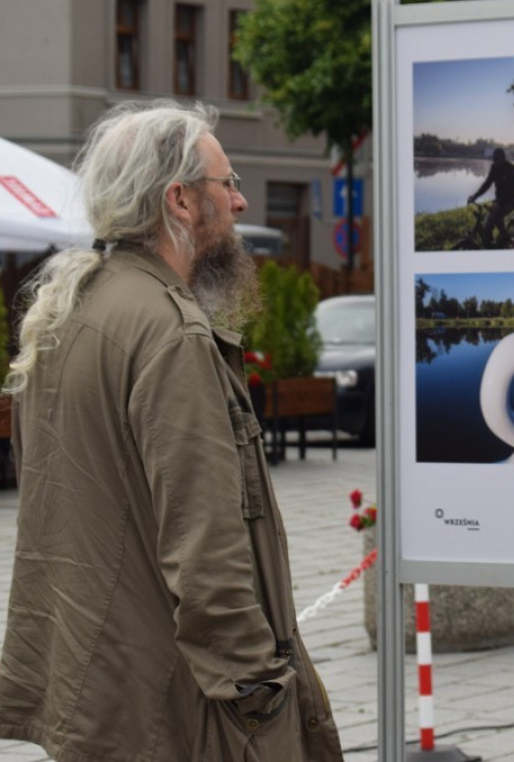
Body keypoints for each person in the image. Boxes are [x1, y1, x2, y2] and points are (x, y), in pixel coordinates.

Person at [0, 101, 345, 761]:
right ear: (180, 200)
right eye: (228, 182)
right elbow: (207, 548)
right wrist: (260, 694)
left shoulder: (72, 310)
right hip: (176, 710)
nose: (241, 202)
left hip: (100, 691)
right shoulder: (168, 331)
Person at [468, 147, 514, 248]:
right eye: (494, 158)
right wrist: (475, 196)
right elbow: (487, 184)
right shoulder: (494, 167)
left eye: (497, 158)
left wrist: (498, 204)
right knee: (488, 224)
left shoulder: (512, 169)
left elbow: (510, 190)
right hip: (499, 200)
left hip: (511, 200)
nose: (495, 161)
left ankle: (506, 237)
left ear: (503, 158)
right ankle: (490, 244)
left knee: (497, 217)